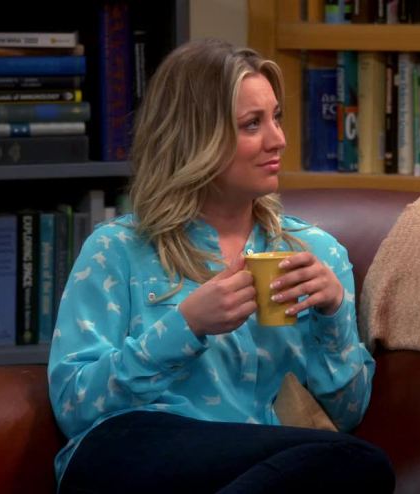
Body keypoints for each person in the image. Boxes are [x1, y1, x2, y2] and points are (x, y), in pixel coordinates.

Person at [47, 38, 395, 494]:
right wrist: (185, 326)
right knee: (352, 461)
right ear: (194, 137)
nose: (278, 140)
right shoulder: (116, 249)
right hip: (130, 451)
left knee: (359, 465)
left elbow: (348, 415)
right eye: (252, 124)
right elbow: (74, 406)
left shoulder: (317, 253)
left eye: (276, 118)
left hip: (254, 463)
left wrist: (333, 318)